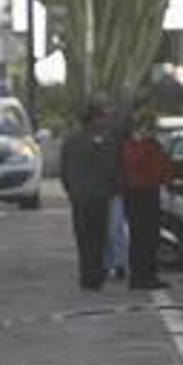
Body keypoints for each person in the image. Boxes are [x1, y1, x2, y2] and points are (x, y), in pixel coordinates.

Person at [60, 101, 121, 291]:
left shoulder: (70, 141)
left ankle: (87, 275)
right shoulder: (105, 140)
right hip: (99, 195)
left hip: (80, 196)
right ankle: (95, 274)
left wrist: (71, 191)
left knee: (83, 237)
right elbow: (112, 167)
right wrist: (111, 189)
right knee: (98, 236)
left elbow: (64, 171)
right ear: (96, 118)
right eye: (102, 116)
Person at [120, 111, 174, 290]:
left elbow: (163, 166)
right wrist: (143, 142)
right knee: (141, 237)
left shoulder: (150, 145)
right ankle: (140, 276)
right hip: (139, 193)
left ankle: (147, 274)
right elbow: (133, 164)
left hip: (150, 191)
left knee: (149, 237)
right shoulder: (134, 145)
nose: (152, 131)